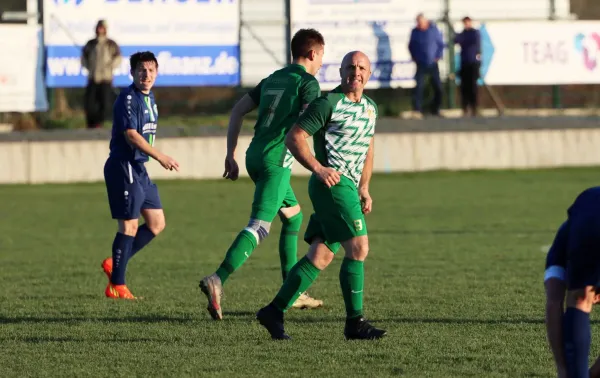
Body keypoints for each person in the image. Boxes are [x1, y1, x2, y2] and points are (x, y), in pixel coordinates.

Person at [256, 51, 386, 341]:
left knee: (321, 255)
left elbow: (368, 147)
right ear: (340, 71)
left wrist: (364, 187)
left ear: (369, 73)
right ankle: (355, 322)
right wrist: (318, 168)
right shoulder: (328, 103)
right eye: (350, 66)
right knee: (359, 248)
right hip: (332, 185)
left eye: (362, 67)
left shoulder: (370, 108)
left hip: (351, 187)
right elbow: (295, 137)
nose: (356, 71)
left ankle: (274, 311)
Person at [199, 29, 326, 321]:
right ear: (312, 54)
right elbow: (309, 125)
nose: (321, 63)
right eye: (321, 56)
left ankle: (292, 292)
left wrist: (230, 154)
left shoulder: (273, 78)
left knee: (293, 216)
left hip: (254, 155)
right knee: (259, 226)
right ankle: (217, 278)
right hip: (276, 160)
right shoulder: (308, 83)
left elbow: (237, 111)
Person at [101, 51, 180, 299]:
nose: (146, 75)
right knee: (129, 225)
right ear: (132, 72)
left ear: (156, 72)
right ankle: (117, 285)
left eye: (151, 70)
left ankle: (115, 264)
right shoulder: (127, 98)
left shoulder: (150, 97)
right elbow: (131, 135)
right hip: (123, 166)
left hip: (139, 168)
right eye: (141, 70)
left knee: (157, 223)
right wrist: (160, 156)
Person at [544, 187, 600, 377]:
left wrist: (563, 368)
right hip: (588, 212)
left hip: (587, 210)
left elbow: (554, 302)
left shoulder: (567, 239)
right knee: (581, 299)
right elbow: (554, 300)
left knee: (580, 300)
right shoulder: (559, 252)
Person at [81, 20, 122, 129]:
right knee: (89, 104)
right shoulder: (91, 44)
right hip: (93, 78)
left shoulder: (111, 44)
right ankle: (91, 124)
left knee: (105, 104)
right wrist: (89, 67)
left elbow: (118, 58)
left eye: (102, 28)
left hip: (106, 79)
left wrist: (109, 67)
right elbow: (84, 57)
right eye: (99, 27)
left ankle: (99, 122)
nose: (100, 30)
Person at [408, 13, 444, 117]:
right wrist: (415, 57)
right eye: (418, 22)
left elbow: (440, 44)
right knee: (419, 87)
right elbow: (411, 45)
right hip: (421, 63)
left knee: (438, 87)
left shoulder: (433, 30)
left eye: (421, 22)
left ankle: (436, 108)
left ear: (426, 21)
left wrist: (438, 56)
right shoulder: (415, 32)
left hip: (433, 63)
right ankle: (417, 109)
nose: (419, 24)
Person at [454, 16, 481, 117]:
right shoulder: (463, 34)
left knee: (473, 86)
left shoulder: (474, 33)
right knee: (464, 87)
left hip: (472, 63)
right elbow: (456, 40)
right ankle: (465, 107)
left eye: (468, 22)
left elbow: (469, 43)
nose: (466, 24)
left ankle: (474, 107)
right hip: (464, 63)